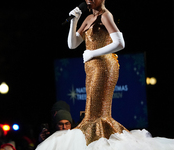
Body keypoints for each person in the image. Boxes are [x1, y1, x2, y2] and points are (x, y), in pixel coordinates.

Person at [36, 0, 174, 149]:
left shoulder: (106, 16)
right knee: (91, 113)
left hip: (104, 67)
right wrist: (74, 21)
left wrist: (92, 53)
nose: (89, 0)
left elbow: (120, 43)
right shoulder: (88, 19)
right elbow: (72, 44)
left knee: (95, 115)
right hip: (91, 67)